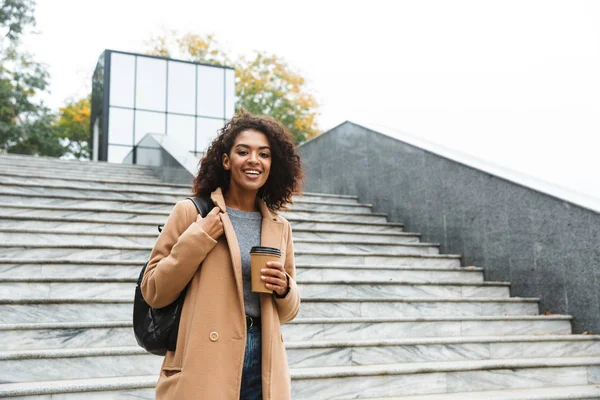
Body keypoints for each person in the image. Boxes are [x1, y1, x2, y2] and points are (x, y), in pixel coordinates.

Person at [141, 110, 303, 400]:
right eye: (243, 151)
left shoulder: (279, 226)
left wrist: (285, 289)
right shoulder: (191, 213)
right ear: (227, 161)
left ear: (271, 165)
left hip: (263, 359)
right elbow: (154, 291)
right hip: (207, 360)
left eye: (264, 154)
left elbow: (288, 312)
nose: (254, 160)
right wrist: (200, 236)